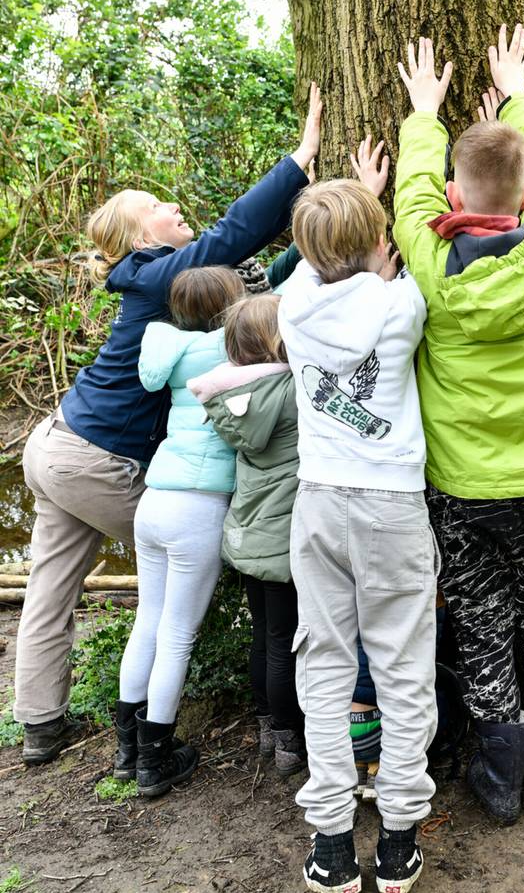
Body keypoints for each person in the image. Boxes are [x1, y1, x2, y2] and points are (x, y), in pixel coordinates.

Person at [13, 84, 322, 766]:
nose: (173, 207)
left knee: (53, 585)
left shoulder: (159, 286)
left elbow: (249, 281)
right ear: (138, 236)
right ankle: (164, 734)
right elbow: (231, 237)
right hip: (97, 457)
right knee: (217, 554)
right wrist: (300, 160)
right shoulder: (153, 276)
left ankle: (41, 726)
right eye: (158, 208)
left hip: (58, 442)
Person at [393, 26, 524, 825]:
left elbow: (410, 196)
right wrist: (522, 103)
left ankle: (501, 777)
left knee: (479, 622)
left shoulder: (428, 261)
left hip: (461, 489)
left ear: (453, 198)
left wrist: (423, 116)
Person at [279, 175, 437, 893]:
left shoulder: (291, 303)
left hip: (318, 501)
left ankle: (332, 843)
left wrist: (341, 218)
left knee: (325, 667)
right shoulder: (402, 303)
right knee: (403, 669)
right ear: (382, 240)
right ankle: (399, 838)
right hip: (391, 503)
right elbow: (376, 275)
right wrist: (373, 223)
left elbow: (320, 271)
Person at [113, 266, 241, 797]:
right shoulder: (231, 353)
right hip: (198, 504)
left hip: (156, 499)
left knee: (149, 618)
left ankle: (126, 750)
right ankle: (155, 759)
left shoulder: (167, 347)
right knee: (178, 632)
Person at [187, 292, 308, 778]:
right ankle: (287, 739)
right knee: (284, 640)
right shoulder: (292, 391)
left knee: (264, 635)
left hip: (248, 534)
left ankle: (264, 724)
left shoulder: (229, 396)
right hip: (282, 539)